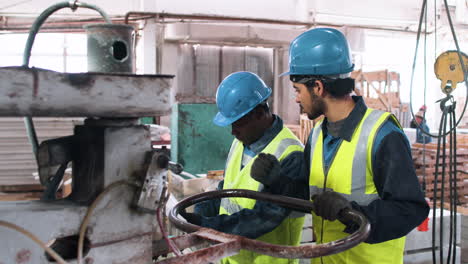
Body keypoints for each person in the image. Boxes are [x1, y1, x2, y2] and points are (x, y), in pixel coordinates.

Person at [273, 28, 429, 264]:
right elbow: (310, 194)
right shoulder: (316, 136)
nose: (296, 98)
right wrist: (278, 180)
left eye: (298, 90)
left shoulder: (382, 135)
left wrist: (353, 214)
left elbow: (410, 209)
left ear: (318, 87)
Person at [181, 71, 308, 264]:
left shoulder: (291, 154)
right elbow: (226, 188)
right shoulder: (241, 141)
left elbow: (262, 218)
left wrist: (205, 226)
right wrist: (202, 211)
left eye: (238, 123)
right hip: (232, 257)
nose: (233, 131)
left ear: (259, 113)